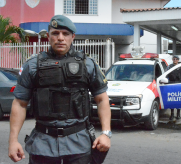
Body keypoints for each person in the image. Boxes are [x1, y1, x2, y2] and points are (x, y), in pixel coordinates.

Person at [8, 15, 111, 164]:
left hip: (79, 145)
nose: (60, 38)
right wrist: (13, 141)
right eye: (56, 33)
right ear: (48, 36)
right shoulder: (32, 65)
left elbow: (102, 99)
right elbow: (19, 103)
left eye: (65, 34)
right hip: (43, 144)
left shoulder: (88, 64)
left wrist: (106, 133)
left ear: (73, 36)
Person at [166, 55, 181, 120]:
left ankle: (178, 114)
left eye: (176, 59)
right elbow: (166, 75)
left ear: (178, 60)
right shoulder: (169, 67)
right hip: (171, 84)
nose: (175, 60)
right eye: (174, 59)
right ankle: (172, 114)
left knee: (178, 100)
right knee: (172, 100)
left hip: (179, 85)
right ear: (172, 60)